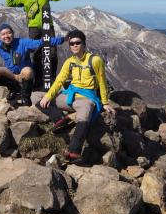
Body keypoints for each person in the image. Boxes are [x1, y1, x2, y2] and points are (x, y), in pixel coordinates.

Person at [33, 30, 116, 161]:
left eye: (78, 43)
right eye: (71, 43)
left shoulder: (95, 60)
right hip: (69, 96)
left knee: (84, 117)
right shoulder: (69, 61)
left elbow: (102, 81)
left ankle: (74, 151)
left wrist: (105, 103)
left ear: (84, 44)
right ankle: (59, 119)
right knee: (35, 96)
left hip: (86, 99)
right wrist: (48, 96)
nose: (74, 45)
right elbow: (59, 80)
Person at [6, 0, 64, 85]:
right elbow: (9, 3)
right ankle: (38, 80)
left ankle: (51, 79)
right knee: (37, 53)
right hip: (33, 28)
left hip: (47, 25)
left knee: (52, 52)